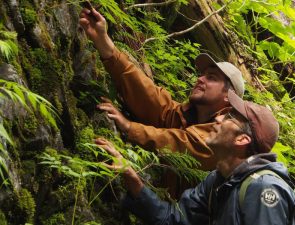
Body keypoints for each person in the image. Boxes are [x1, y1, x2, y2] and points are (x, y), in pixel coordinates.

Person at [95, 89, 295, 225]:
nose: (217, 118)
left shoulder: (264, 189)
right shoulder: (217, 181)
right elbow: (173, 219)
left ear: (242, 139)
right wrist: (134, 182)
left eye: (228, 117)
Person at [79, 7, 245, 170]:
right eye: (202, 74)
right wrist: (105, 44)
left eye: (211, 78)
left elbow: (182, 144)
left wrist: (129, 127)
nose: (200, 79)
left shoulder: (226, 136)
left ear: (228, 96)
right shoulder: (184, 115)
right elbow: (150, 97)